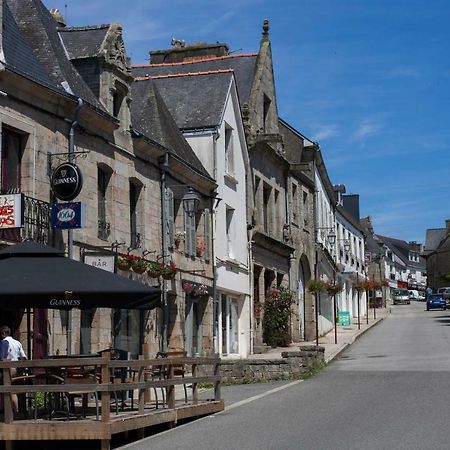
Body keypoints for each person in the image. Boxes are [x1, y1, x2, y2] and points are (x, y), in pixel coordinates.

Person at [0, 326, 27, 414]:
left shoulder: (4, 342)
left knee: (4, 388)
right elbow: (23, 357)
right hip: (17, 369)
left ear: (3, 333)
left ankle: (4, 410)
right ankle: (16, 410)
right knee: (13, 390)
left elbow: (2, 357)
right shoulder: (17, 343)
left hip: (8, 368)